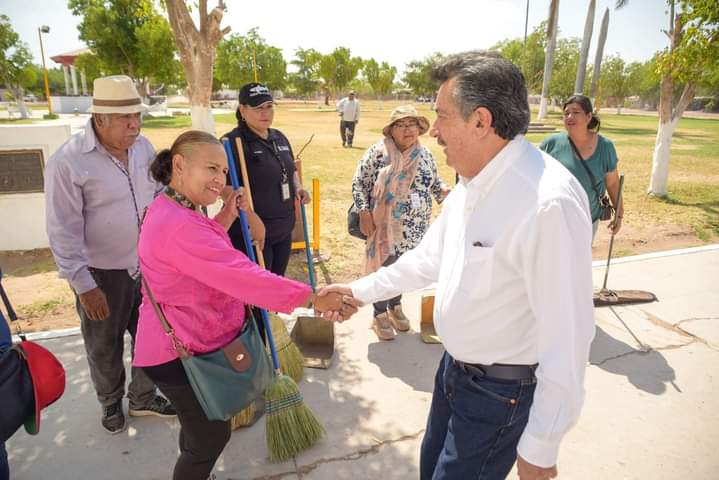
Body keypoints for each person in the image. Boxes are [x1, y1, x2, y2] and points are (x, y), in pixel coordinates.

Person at [320, 51, 595, 480]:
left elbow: (569, 335)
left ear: (481, 121)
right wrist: (358, 291)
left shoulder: (546, 203)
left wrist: (541, 445)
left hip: (499, 393)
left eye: (442, 116)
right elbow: (427, 260)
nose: (434, 130)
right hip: (453, 374)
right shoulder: (472, 183)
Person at [134, 130, 355, 480]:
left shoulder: (172, 206)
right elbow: (242, 277)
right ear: (179, 165)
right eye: (211, 168)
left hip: (182, 336)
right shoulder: (177, 224)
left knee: (198, 428)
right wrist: (312, 297)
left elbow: (201, 248)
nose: (220, 179)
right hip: (175, 350)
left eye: (223, 171)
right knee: (210, 436)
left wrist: (227, 213)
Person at [44, 75, 175, 435]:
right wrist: (84, 285)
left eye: (137, 115)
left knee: (153, 336)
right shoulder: (68, 162)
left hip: (147, 265)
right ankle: (110, 401)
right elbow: (62, 229)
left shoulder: (143, 147)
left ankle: (143, 397)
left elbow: (158, 192)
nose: (134, 124)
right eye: (124, 118)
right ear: (99, 119)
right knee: (104, 344)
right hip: (101, 273)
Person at [351, 105, 449, 340]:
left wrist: (445, 191)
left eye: (412, 124)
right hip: (384, 227)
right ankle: (379, 313)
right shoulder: (378, 153)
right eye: (402, 125)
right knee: (385, 267)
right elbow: (359, 183)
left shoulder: (424, 154)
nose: (408, 130)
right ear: (391, 130)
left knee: (405, 267)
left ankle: (395, 305)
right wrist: (364, 212)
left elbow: (434, 182)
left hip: (414, 227)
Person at [222, 82, 310, 278]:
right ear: (242, 110)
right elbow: (226, 190)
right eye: (258, 108)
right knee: (257, 291)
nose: (265, 113)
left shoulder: (279, 137)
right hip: (253, 235)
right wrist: (252, 220)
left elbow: (291, 170)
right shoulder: (232, 142)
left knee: (277, 283)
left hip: (283, 229)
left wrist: (298, 188)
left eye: (269, 106)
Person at [540, 94, 624, 239]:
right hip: (554, 219)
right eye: (566, 113)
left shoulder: (605, 147)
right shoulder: (551, 144)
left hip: (588, 221)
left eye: (576, 112)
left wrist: (619, 214)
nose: (570, 117)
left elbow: (612, 183)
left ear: (588, 116)